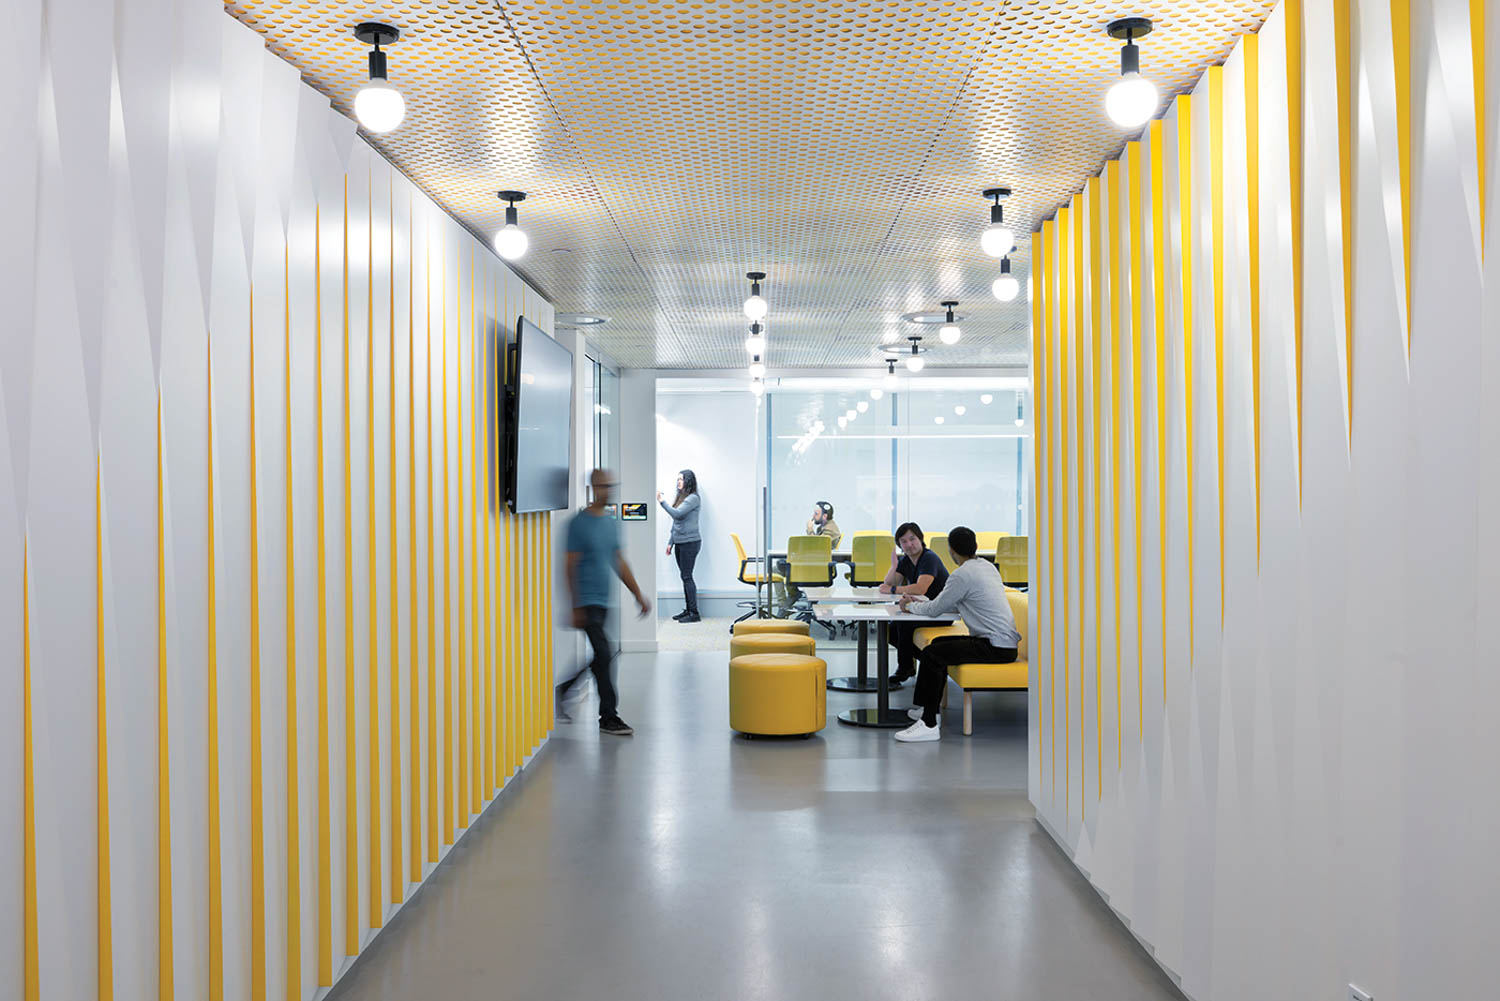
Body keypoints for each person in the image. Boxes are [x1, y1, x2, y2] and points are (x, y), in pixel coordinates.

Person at [892, 526, 1019, 743]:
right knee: (938, 645)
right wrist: (918, 605)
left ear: (951, 551)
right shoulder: (988, 567)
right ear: (976, 546)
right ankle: (929, 710)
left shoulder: (961, 575)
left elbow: (934, 610)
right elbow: (957, 604)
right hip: (1003, 644)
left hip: (994, 646)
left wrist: (909, 607)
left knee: (933, 654)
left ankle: (929, 724)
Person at [557, 468, 652, 736]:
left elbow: (619, 561)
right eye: (601, 486)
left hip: (603, 600)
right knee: (604, 654)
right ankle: (609, 717)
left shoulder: (611, 522)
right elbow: (569, 566)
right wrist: (575, 606)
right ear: (592, 488)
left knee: (601, 657)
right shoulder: (578, 524)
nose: (606, 491)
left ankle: (562, 691)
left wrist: (637, 594)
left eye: (610, 486)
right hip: (586, 601)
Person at [879, 522, 949, 686]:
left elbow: (920, 588)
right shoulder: (906, 560)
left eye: (912, 539)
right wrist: (894, 566)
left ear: (921, 538)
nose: (909, 544)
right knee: (891, 629)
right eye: (904, 541)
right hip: (922, 609)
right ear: (900, 545)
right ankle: (923, 663)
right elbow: (887, 583)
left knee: (903, 625)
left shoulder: (928, 558)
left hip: (941, 613)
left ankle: (905, 668)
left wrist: (893, 589)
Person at [658, 469, 702, 623]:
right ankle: (689, 610)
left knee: (687, 577)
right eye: (677, 480)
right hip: (680, 542)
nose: (678, 482)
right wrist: (671, 542)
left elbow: (676, 514)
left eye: (681, 479)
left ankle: (694, 613)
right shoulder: (681, 498)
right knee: (685, 577)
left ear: (688, 481)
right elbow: (677, 523)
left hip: (690, 542)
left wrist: (661, 501)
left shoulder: (693, 499)